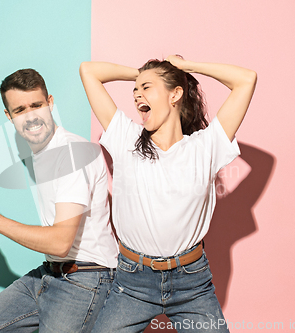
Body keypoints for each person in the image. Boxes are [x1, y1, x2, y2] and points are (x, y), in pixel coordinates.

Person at [79, 55, 257, 332]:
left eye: (146, 88)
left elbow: (246, 79)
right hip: (133, 282)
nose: (137, 94)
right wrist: (141, 75)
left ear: (175, 94)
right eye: (135, 91)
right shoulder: (125, 138)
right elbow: (89, 71)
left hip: (191, 283)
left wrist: (186, 68)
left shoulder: (206, 146)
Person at [0, 68, 118, 333]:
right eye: (20, 110)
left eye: (37, 105)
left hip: (87, 277)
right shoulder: (41, 153)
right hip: (49, 274)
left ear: (50, 103)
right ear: (8, 117)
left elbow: (59, 242)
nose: (31, 116)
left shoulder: (70, 155)